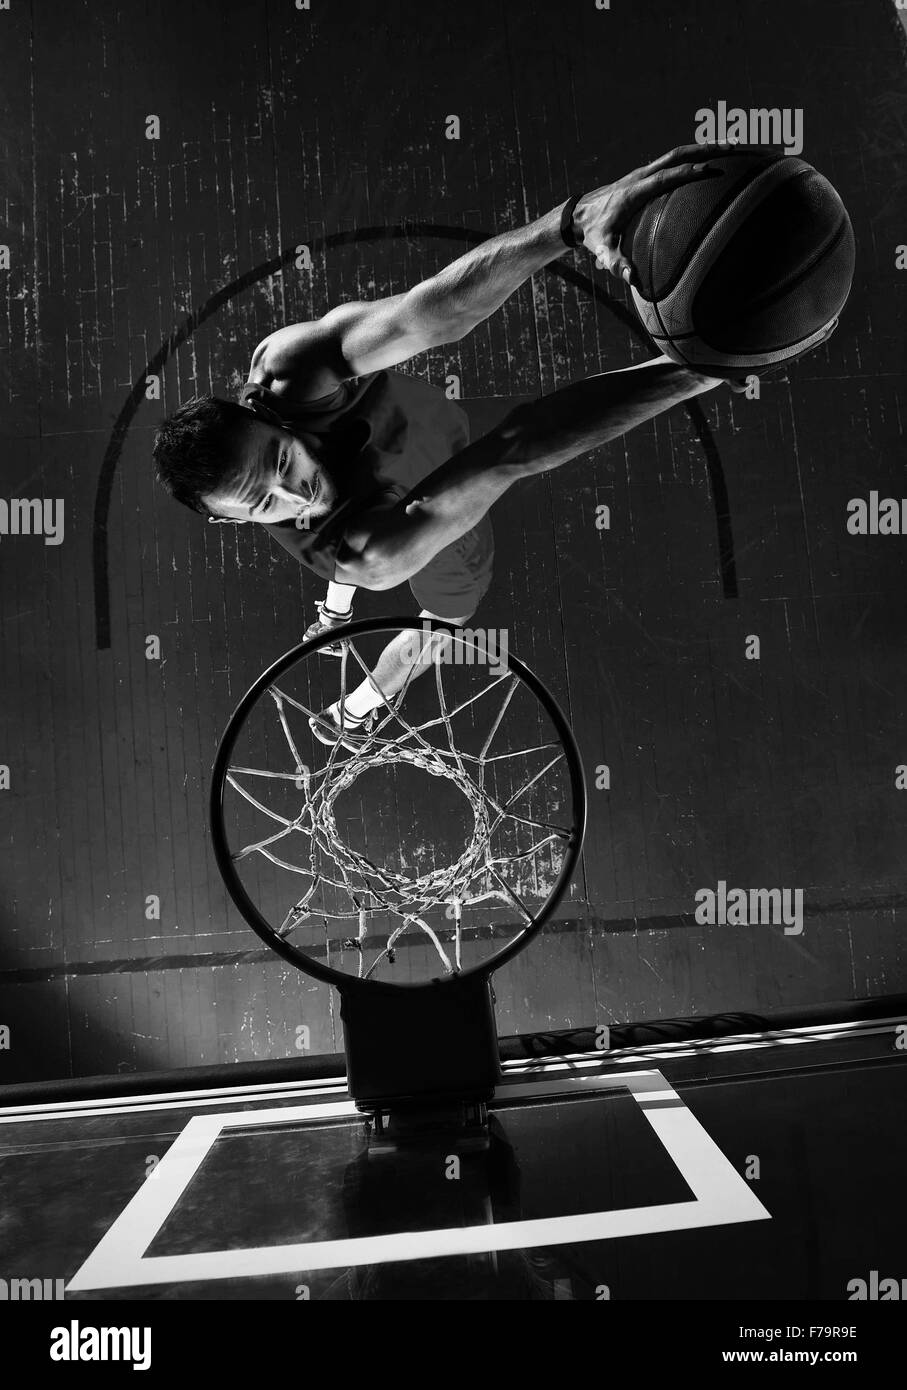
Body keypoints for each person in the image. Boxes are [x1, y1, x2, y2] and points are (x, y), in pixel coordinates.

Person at [152, 146, 750, 747]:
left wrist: (572, 223)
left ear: (263, 412)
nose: (294, 491)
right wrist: (703, 368)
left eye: (283, 459)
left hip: (425, 439)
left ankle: (342, 644)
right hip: (431, 527)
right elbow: (514, 448)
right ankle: (361, 707)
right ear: (226, 520)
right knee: (439, 627)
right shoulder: (369, 552)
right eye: (262, 506)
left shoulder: (290, 372)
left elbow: (427, 316)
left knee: (347, 544)